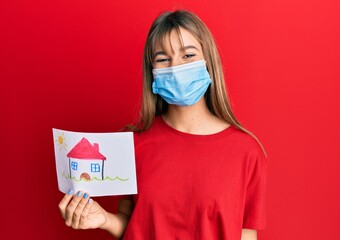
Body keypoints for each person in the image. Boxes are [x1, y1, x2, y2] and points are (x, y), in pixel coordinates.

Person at [58, 9, 268, 240]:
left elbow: (246, 234)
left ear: (209, 61)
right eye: (162, 59)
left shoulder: (246, 151)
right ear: (152, 71)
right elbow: (134, 225)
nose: (175, 67)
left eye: (188, 56)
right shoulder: (131, 144)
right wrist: (105, 220)